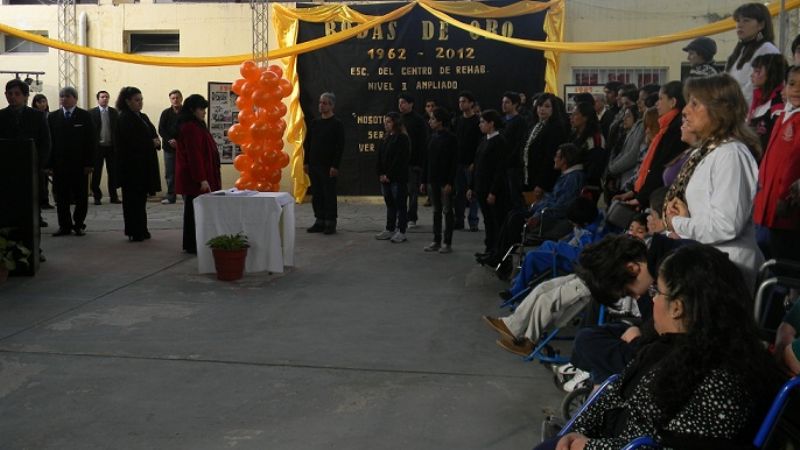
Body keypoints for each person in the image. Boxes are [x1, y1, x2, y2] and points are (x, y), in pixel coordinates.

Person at [543, 245, 784, 450]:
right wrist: (576, 433)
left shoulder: (725, 380)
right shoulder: (661, 346)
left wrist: (590, 446)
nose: (653, 300)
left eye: (657, 291)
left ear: (677, 307)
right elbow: (614, 397)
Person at [665, 73, 764, 291]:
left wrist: (679, 223)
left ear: (720, 110)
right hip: (703, 262)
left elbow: (726, 226)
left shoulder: (731, 155)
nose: (685, 110)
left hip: (724, 274)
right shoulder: (708, 151)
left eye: (695, 104)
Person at [483, 234, 653, 356]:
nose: (634, 231)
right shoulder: (632, 247)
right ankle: (512, 325)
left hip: (597, 283)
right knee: (543, 288)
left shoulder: (644, 257)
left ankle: (529, 341)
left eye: (638, 229)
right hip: (593, 275)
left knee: (547, 300)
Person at [615, 81, 687, 210]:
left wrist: (641, 197)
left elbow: (659, 166)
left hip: (661, 199)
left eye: (661, 99)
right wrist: (636, 193)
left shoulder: (675, 130)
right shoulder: (667, 126)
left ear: (673, 102)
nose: (657, 103)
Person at [753, 65, 800, 262]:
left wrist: (784, 196)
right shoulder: (783, 116)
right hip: (768, 200)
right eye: (792, 84)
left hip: (786, 206)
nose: (797, 89)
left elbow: (794, 162)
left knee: (782, 257)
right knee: (765, 252)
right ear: (784, 88)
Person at [0, 78, 51, 250]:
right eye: (9, 94)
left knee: (31, 214)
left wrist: (39, 166)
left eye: (17, 94)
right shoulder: (1, 116)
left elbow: (45, 144)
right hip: (6, 175)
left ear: (25, 96)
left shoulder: (37, 116)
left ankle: (35, 249)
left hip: (30, 174)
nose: (13, 97)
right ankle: (9, 250)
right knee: (8, 213)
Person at [175, 94, 221, 254]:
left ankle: (195, 242)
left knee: (196, 211)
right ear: (192, 109)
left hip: (203, 175)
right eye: (201, 109)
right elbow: (195, 155)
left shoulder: (197, 125)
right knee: (194, 211)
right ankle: (193, 243)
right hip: (196, 178)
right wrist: (201, 179)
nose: (204, 112)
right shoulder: (190, 127)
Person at [47, 86, 95, 237]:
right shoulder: (52, 117)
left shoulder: (85, 116)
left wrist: (89, 163)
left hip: (80, 165)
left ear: (75, 99)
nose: (63, 99)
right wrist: (48, 164)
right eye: (61, 96)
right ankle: (64, 226)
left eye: (67, 96)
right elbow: (49, 143)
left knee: (81, 196)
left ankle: (79, 224)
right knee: (61, 197)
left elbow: (91, 141)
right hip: (60, 165)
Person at [115, 86, 161, 242]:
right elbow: (130, 142)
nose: (140, 103)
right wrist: (150, 143)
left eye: (141, 100)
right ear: (127, 101)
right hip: (131, 166)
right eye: (136, 100)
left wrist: (156, 141)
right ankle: (134, 230)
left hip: (144, 165)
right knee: (132, 200)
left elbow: (153, 133)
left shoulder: (143, 116)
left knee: (141, 200)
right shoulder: (124, 118)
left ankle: (142, 228)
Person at [468, 110, 509, 257]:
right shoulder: (484, 140)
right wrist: (472, 186)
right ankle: (489, 248)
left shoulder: (499, 142)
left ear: (491, 123)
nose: (480, 125)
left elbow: (499, 170)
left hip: (492, 189)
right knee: (487, 221)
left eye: (483, 122)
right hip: (481, 186)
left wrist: (493, 191)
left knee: (494, 221)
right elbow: (477, 164)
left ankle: (497, 251)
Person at [303, 92, 345, 235]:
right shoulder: (315, 123)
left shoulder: (337, 124)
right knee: (317, 194)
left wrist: (335, 166)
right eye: (320, 102)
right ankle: (319, 220)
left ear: (332, 105)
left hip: (328, 166)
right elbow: (308, 144)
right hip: (314, 165)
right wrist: (306, 162)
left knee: (329, 194)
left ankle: (330, 222)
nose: (321, 105)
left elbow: (340, 147)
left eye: (325, 103)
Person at [726, 2, 780, 107]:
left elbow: (754, 89)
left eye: (746, 20)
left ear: (761, 25)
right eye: (738, 20)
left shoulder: (767, 50)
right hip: (733, 113)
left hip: (752, 115)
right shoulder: (740, 51)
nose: (740, 25)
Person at [420, 107, 457, 253]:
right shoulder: (431, 137)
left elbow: (453, 163)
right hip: (432, 180)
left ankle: (447, 242)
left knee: (447, 211)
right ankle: (436, 240)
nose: (430, 121)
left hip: (444, 181)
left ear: (440, 121)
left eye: (433, 119)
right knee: (436, 211)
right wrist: (424, 180)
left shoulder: (451, 138)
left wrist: (450, 182)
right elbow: (426, 160)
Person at [522, 93, 570, 205]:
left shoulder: (556, 128)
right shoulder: (535, 125)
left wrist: (541, 183)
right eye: (539, 106)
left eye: (547, 106)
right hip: (529, 176)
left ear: (554, 109)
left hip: (544, 181)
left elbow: (550, 159)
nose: (542, 109)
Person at [375, 112, 411, 243]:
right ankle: (390, 229)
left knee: (400, 205)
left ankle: (401, 231)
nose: (386, 124)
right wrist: (381, 174)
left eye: (389, 121)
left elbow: (400, 160)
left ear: (396, 123)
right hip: (385, 179)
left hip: (397, 179)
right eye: (385, 121)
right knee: (390, 205)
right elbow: (380, 158)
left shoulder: (402, 138)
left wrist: (389, 175)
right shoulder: (386, 138)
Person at [452, 91, 481, 232]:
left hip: (471, 164)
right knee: (459, 193)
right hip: (458, 162)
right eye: (459, 101)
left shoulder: (478, 121)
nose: (461, 104)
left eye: (464, 101)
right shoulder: (457, 121)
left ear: (471, 103)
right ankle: (459, 220)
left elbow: (480, 144)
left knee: (473, 193)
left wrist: (475, 162)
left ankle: (473, 221)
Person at [397, 94, 427, 228]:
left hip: (413, 162)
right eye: (399, 103)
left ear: (411, 104)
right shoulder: (398, 120)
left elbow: (422, 143)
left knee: (412, 192)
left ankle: (412, 217)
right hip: (400, 162)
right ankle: (401, 216)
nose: (401, 105)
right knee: (400, 191)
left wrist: (419, 163)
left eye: (403, 102)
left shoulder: (419, 120)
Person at [747, 53, 787, 151]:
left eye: (757, 71)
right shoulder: (759, 99)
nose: (752, 75)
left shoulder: (778, 104)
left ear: (771, 74)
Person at [89, 90, 120, 205]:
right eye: (102, 97)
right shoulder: (92, 113)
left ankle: (114, 196)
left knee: (113, 173)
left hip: (111, 147)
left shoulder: (114, 112)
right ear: (98, 99)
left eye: (107, 97)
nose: (105, 99)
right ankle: (97, 196)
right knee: (96, 173)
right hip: (98, 147)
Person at [500, 91, 527, 209]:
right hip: (501, 164)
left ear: (515, 104)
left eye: (507, 102)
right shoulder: (501, 120)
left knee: (515, 195)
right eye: (503, 102)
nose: (504, 105)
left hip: (513, 165)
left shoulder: (520, 121)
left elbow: (519, 144)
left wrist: (509, 159)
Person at [569, 101, 605, 188]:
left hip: (587, 186)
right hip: (572, 180)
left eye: (575, 114)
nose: (571, 117)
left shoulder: (596, 139)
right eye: (571, 114)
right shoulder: (574, 134)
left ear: (585, 117)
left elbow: (594, 169)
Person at [158, 89, 181, 204]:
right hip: (169, 148)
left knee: (183, 172)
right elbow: (161, 129)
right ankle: (171, 196)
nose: (175, 100)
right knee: (170, 173)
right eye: (173, 98)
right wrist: (169, 140)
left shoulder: (187, 112)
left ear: (181, 98)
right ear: (170, 100)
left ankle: (186, 195)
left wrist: (180, 141)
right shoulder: (165, 113)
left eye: (177, 97)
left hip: (183, 148)